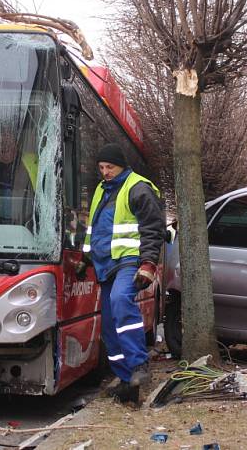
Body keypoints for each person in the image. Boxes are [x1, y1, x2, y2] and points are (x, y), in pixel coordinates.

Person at [77, 143, 164, 404]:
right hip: (105, 265)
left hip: (129, 260)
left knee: (120, 300)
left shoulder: (137, 188)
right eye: (101, 167)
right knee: (108, 327)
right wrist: (85, 257)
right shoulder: (101, 190)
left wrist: (148, 264)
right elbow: (94, 230)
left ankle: (139, 365)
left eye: (110, 167)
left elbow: (153, 227)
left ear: (122, 165)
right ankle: (127, 381)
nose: (105, 172)